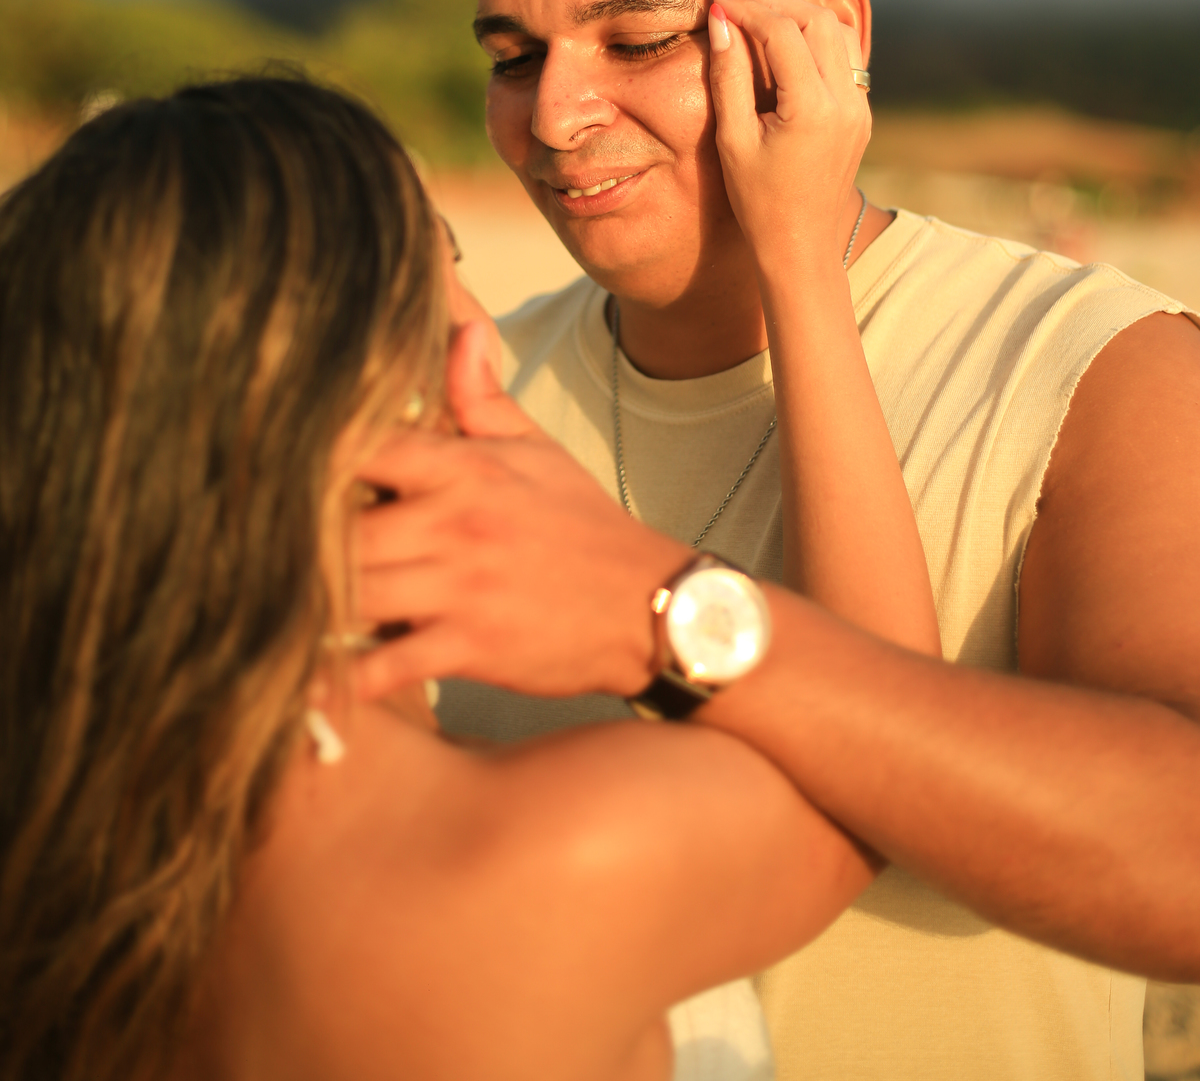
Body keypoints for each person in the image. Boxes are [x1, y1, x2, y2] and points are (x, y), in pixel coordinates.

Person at [355, 0, 1200, 1081]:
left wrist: (658, 612)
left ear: (830, 32)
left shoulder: (1096, 366)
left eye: (638, 40)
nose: (556, 117)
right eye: (514, 58)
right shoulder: (462, 388)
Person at [0, 73, 938, 1081]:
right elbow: (884, 751)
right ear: (406, 368)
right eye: (442, 261)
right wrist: (798, 255)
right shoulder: (547, 859)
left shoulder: (57, 808)